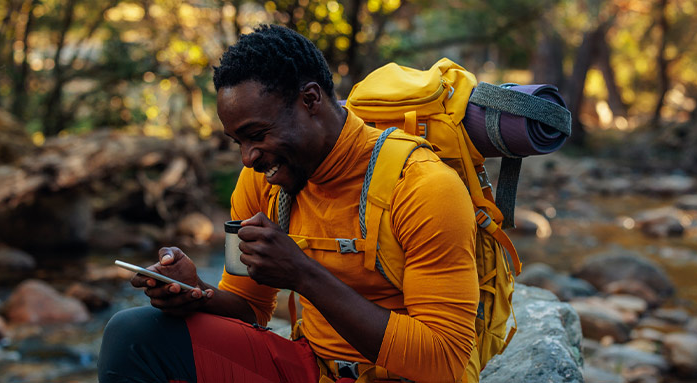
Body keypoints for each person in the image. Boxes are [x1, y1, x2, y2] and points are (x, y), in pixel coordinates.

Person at [98, 24, 480, 383]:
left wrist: (303, 274)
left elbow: (444, 361)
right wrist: (195, 291)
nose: (248, 158)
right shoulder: (263, 181)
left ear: (310, 99)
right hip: (314, 369)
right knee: (132, 334)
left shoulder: (423, 187)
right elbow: (251, 308)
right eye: (238, 142)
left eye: (257, 135)